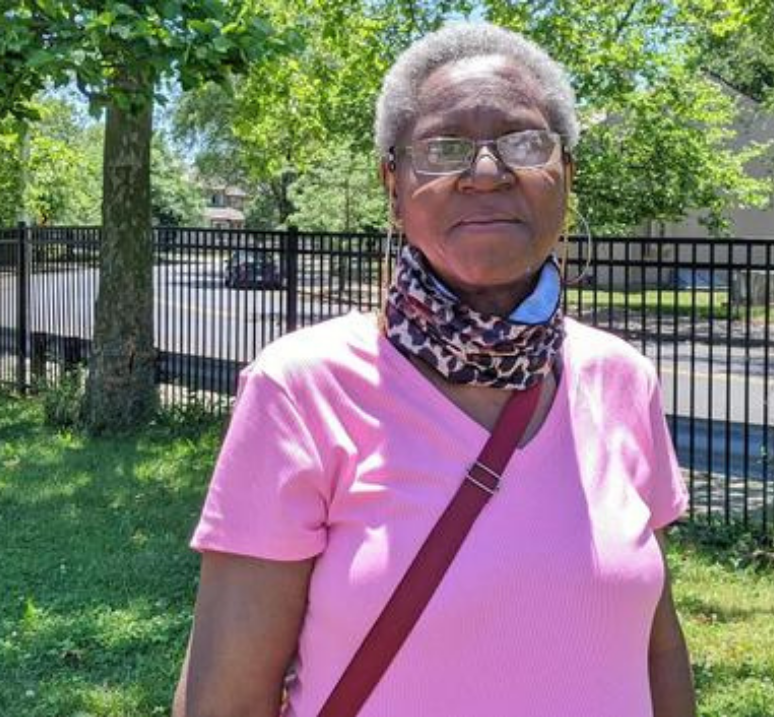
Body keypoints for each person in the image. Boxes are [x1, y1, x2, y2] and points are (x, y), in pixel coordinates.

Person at [173, 21, 695, 717]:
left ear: (566, 174)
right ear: (394, 185)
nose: (486, 172)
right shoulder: (299, 388)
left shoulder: (621, 379)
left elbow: (655, 647)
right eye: (444, 148)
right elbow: (225, 699)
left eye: (524, 142)